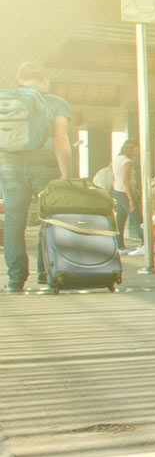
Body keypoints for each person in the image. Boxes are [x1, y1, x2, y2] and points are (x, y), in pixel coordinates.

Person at [0, 69, 75, 295]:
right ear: (45, 79)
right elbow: (60, 138)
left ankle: (15, 280)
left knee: (14, 222)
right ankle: (49, 273)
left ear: (21, 80)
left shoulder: (7, 99)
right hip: (44, 166)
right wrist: (66, 174)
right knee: (51, 219)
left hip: (10, 165)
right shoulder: (56, 103)